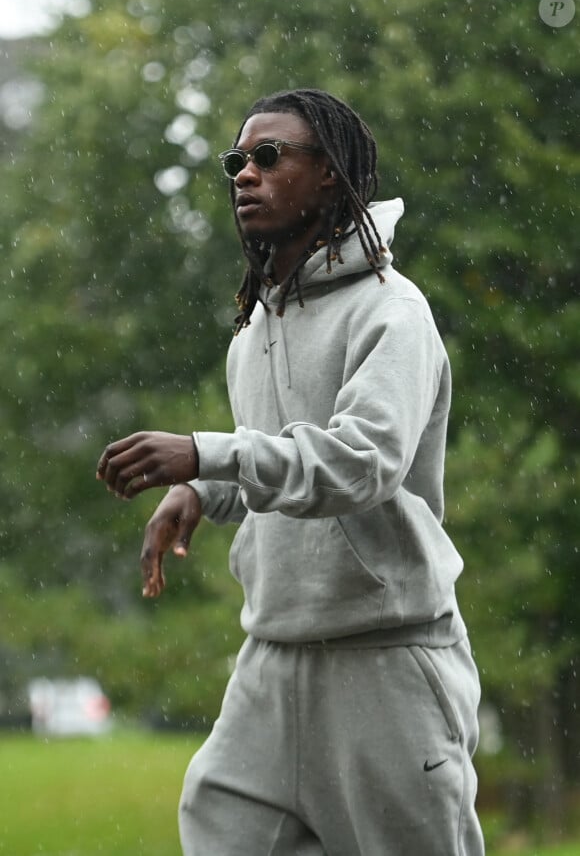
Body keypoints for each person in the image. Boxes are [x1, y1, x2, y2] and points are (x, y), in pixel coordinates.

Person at [96, 88, 485, 856]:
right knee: (220, 824)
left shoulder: (392, 312)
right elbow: (275, 463)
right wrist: (201, 490)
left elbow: (359, 464)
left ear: (332, 176)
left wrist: (208, 453)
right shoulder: (254, 330)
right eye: (237, 161)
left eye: (269, 157)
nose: (245, 173)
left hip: (385, 661)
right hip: (271, 657)